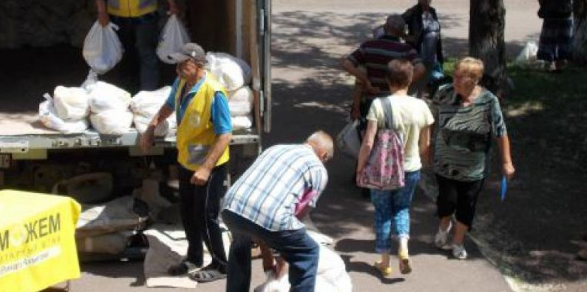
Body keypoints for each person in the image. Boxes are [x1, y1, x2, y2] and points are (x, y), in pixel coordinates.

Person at [139, 42, 231, 282]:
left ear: (198, 64)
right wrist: (151, 127)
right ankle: (194, 257)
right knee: (188, 213)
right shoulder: (182, 82)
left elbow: (225, 135)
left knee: (206, 216)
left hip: (209, 167)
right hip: (187, 160)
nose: (178, 68)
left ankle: (221, 265)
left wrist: (206, 168)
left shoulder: (214, 92)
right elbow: (169, 105)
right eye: (177, 64)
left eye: (183, 64)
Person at [222, 132, 332, 292]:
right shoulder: (318, 168)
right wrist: (282, 258)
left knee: (240, 243)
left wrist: (268, 254)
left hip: (231, 207)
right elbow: (293, 222)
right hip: (269, 217)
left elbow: (256, 214)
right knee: (308, 252)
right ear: (324, 155)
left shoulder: (275, 148)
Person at [355, 59, 434, 276]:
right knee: (402, 208)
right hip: (410, 169)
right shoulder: (421, 106)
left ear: (388, 80)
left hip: (383, 170)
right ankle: (404, 248)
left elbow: (369, 142)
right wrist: (423, 162)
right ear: (410, 79)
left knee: (382, 212)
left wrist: (360, 167)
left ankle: (385, 261)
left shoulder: (379, 105)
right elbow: (425, 144)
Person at [431, 57, 515, 260]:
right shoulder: (444, 93)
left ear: (474, 79)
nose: (455, 81)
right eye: (455, 75)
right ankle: (444, 224)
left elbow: (500, 131)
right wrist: (425, 146)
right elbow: (430, 120)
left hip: (474, 168)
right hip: (445, 164)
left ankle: (458, 242)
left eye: (460, 77)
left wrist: (507, 162)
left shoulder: (488, 101)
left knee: (467, 205)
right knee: (446, 201)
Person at [343, 14, 425, 122]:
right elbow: (421, 69)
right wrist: (402, 85)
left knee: (370, 134)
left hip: (371, 102)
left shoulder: (368, 46)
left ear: (385, 27)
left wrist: (365, 80)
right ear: (401, 32)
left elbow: (347, 64)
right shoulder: (407, 50)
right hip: (395, 103)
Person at [402, 0, 444, 97]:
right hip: (418, 53)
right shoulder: (413, 12)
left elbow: (436, 31)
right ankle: (408, 100)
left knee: (424, 81)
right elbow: (398, 23)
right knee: (413, 80)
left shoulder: (432, 11)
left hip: (431, 54)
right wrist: (406, 37)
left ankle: (419, 101)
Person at [535, 0, 573, 72]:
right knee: (562, 41)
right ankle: (559, 66)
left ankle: (550, 65)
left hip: (551, 17)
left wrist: (542, 4)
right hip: (565, 17)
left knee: (549, 41)